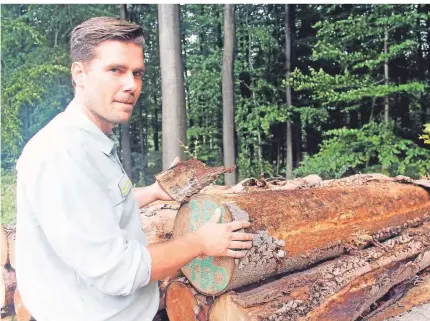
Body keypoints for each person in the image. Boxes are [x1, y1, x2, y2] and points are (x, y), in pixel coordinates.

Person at [15, 16, 253, 321]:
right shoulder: (61, 155)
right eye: (116, 70)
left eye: (137, 73)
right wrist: (201, 242)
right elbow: (118, 272)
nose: (131, 85)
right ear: (80, 74)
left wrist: (153, 193)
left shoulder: (91, 141)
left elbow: (97, 204)